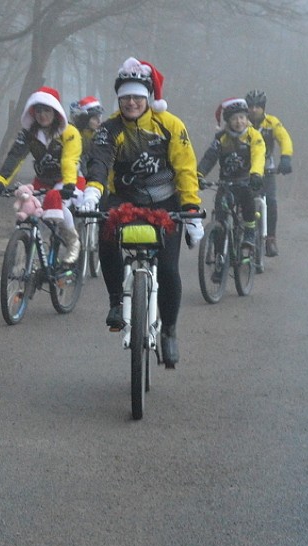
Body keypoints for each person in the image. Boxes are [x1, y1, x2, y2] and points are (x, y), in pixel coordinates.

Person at [81, 57, 202, 367]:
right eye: (125, 98)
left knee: (170, 269)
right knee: (105, 237)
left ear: (148, 98)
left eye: (137, 97)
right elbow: (100, 161)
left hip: (165, 203)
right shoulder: (109, 128)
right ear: (118, 99)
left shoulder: (170, 125)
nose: (131, 103)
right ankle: (114, 302)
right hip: (124, 200)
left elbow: (186, 168)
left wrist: (190, 208)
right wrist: (94, 190)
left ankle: (170, 332)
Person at [0, 86, 83, 264]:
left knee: (58, 204)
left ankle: (72, 241)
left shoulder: (70, 132)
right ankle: (31, 249)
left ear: (55, 112)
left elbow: (70, 160)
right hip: (42, 181)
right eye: (38, 110)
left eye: (47, 110)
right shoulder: (28, 134)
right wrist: (0, 180)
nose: (42, 115)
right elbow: (15, 156)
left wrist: (69, 184)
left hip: (69, 180)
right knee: (29, 207)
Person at [197, 97, 266, 253]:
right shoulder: (221, 138)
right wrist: (199, 174)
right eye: (234, 119)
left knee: (248, 203)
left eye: (242, 117)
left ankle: (249, 232)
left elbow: (258, 155)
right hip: (226, 183)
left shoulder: (253, 136)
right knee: (220, 217)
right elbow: (209, 158)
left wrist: (256, 174)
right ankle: (219, 257)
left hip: (246, 181)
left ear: (247, 118)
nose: (239, 122)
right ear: (228, 121)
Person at [245, 89, 293, 257]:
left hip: (267, 169)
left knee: (271, 200)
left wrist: (286, 157)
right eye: (251, 106)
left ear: (263, 107)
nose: (254, 109)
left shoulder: (272, 122)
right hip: (246, 169)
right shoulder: (241, 122)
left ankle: (271, 239)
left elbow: (284, 139)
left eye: (258, 106)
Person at [69, 95, 104, 174]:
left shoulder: (100, 136)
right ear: (84, 119)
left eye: (100, 117)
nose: (99, 121)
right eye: (95, 118)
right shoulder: (74, 136)